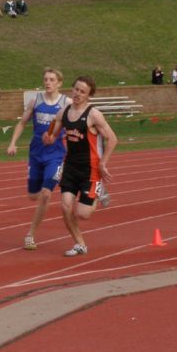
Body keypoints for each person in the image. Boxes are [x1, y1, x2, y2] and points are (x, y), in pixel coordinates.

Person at [43, 76, 118, 257]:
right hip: (70, 167)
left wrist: (103, 163)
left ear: (88, 96)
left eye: (82, 92)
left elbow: (113, 139)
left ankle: (99, 190)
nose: (77, 94)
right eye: (76, 89)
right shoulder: (64, 111)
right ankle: (80, 244)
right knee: (65, 206)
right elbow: (54, 124)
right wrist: (49, 136)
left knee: (83, 214)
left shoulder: (93, 114)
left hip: (90, 169)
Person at [7, 68, 72, 250]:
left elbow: (77, 121)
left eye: (52, 79)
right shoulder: (35, 101)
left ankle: (30, 235)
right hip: (36, 153)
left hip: (56, 154)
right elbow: (22, 123)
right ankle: (41, 191)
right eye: (45, 79)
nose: (48, 82)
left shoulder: (66, 103)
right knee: (32, 196)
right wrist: (13, 143)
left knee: (45, 194)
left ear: (59, 83)